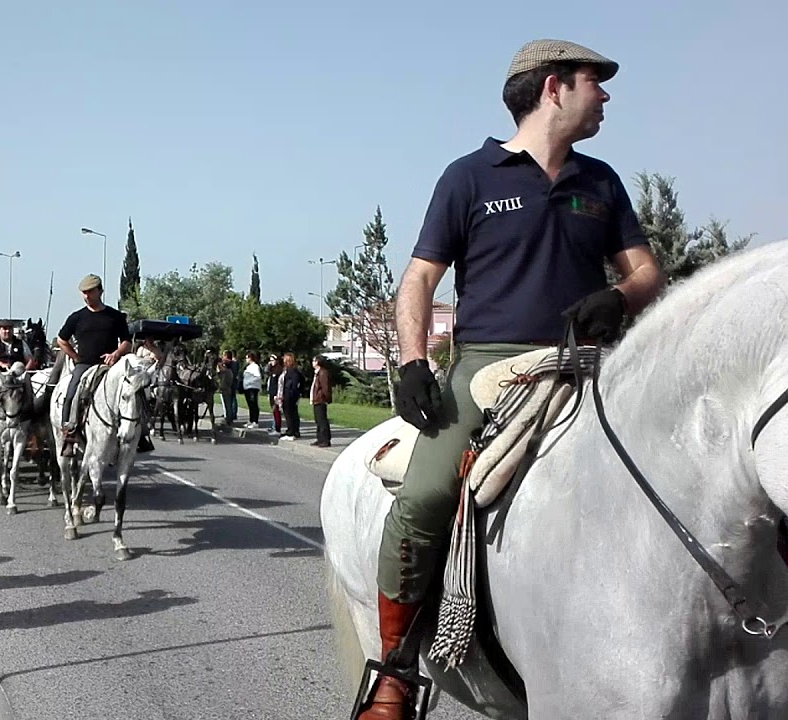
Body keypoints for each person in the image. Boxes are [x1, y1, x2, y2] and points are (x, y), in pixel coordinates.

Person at [359, 39, 664, 719]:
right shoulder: (469, 177)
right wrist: (412, 361)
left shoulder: (601, 181)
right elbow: (420, 279)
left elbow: (647, 272)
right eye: (596, 82)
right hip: (489, 366)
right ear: (554, 87)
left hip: (589, 363)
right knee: (427, 495)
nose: (606, 96)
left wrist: (621, 297)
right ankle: (395, 671)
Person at [54, 274, 131, 456]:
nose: (87, 296)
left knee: (132, 391)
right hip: (85, 364)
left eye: (90, 292)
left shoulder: (115, 316)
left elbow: (127, 342)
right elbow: (61, 340)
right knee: (72, 391)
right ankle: (69, 432)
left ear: (100, 291)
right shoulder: (77, 317)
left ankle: (139, 433)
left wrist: (116, 354)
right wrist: (75, 356)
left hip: (110, 366)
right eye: (84, 293)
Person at [276, 353, 303, 440]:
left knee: (289, 414)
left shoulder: (292, 371)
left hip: (289, 395)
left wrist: (293, 391)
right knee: (291, 413)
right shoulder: (288, 370)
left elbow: (296, 382)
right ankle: (292, 430)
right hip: (288, 394)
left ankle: (291, 432)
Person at [309, 354, 333, 447]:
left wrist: (325, 397)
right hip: (316, 399)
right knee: (318, 420)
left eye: (314, 361)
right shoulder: (317, 372)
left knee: (322, 420)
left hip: (320, 400)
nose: (313, 363)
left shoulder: (323, 373)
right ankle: (320, 438)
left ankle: (325, 439)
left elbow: (325, 387)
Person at [241, 352, 262, 428]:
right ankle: (251, 420)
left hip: (253, 387)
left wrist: (249, 382)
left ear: (250, 358)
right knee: (250, 404)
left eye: (247, 358)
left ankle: (255, 421)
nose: (246, 359)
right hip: (247, 388)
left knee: (253, 404)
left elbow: (258, 377)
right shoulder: (248, 367)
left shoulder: (255, 366)